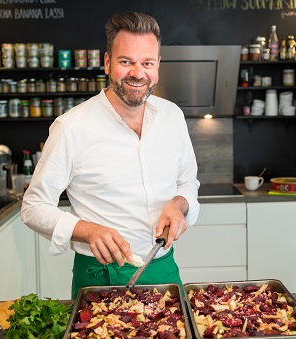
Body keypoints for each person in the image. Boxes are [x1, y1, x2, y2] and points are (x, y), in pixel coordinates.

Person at [20, 11, 200, 299]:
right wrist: (88, 231)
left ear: (157, 66)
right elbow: (32, 207)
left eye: (147, 63)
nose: (138, 73)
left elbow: (188, 182)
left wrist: (179, 204)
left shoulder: (172, 117)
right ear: (107, 63)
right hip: (100, 276)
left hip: (164, 269)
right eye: (126, 61)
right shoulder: (72, 127)